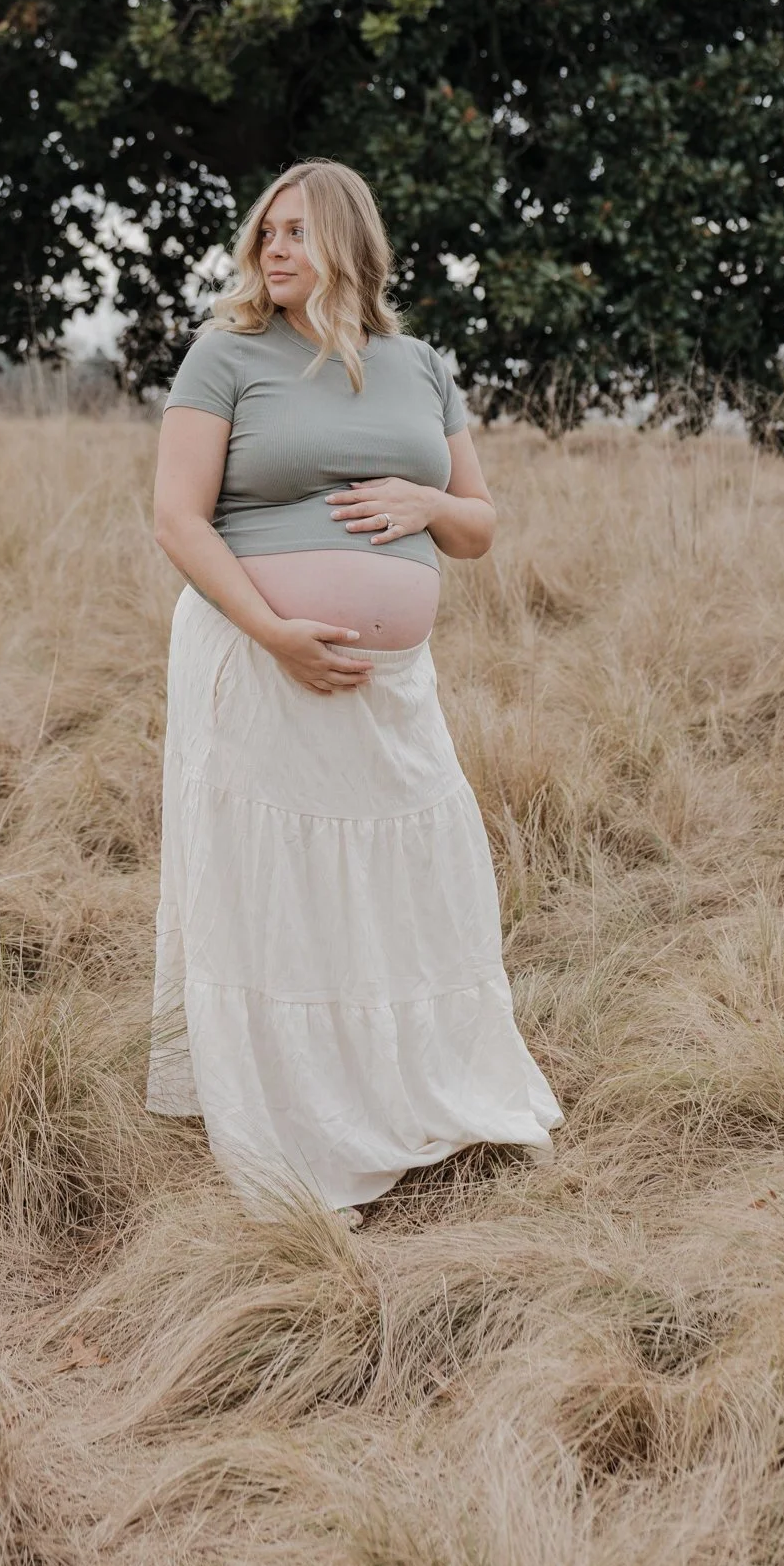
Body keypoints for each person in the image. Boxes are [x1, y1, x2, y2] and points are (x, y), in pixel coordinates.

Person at [148, 159, 562, 1220]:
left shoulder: (419, 366)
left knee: (410, 878)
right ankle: (301, 1129)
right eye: (265, 232)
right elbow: (177, 518)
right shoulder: (227, 354)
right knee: (280, 893)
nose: (273, 249)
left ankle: (417, 1094)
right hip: (258, 660)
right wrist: (274, 632)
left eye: (296, 231)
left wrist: (427, 500)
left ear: (348, 243)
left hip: (391, 687)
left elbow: (478, 527)